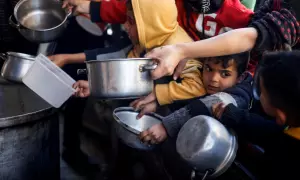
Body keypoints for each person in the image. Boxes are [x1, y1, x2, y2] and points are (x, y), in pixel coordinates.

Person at [74, 0, 205, 112]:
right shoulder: (146, 41)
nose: (125, 26)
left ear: (150, 23)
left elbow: (198, 85)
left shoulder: (180, 48)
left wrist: (159, 95)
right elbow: (128, 75)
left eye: (131, 21)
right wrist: (97, 87)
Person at [56, 0, 254, 68]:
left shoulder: (242, 20)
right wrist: (92, 7)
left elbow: (253, 58)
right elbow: (141, 11)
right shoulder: (174, 4)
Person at [210, 51, 300, 179]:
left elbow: (273, 137)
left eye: (261, 92)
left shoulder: (285, 160)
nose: (260, 96)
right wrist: (234, 115)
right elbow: (273, 132)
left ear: (280, 117)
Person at [138, 51, 252, 143]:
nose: (213, 78)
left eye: (225, 74)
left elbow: (209, 104)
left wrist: (166, 127)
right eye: (209, 69)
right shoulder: (198, 73)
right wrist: (157, 103)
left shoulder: (240, 95)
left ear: (240, 78)